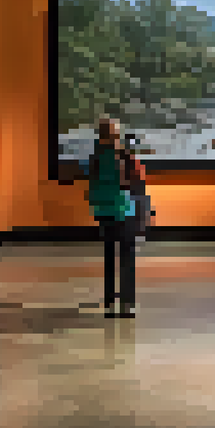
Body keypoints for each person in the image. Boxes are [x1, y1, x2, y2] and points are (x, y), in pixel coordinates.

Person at [86, 117, 141, 318]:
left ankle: (110, 301)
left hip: (103, 211)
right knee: (127, 256)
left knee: (110, 255)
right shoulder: (122, 156)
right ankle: (127, 303)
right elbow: (131, 180)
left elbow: (92, 183)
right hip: (123, 210)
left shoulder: (95, 157)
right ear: (114, 135)